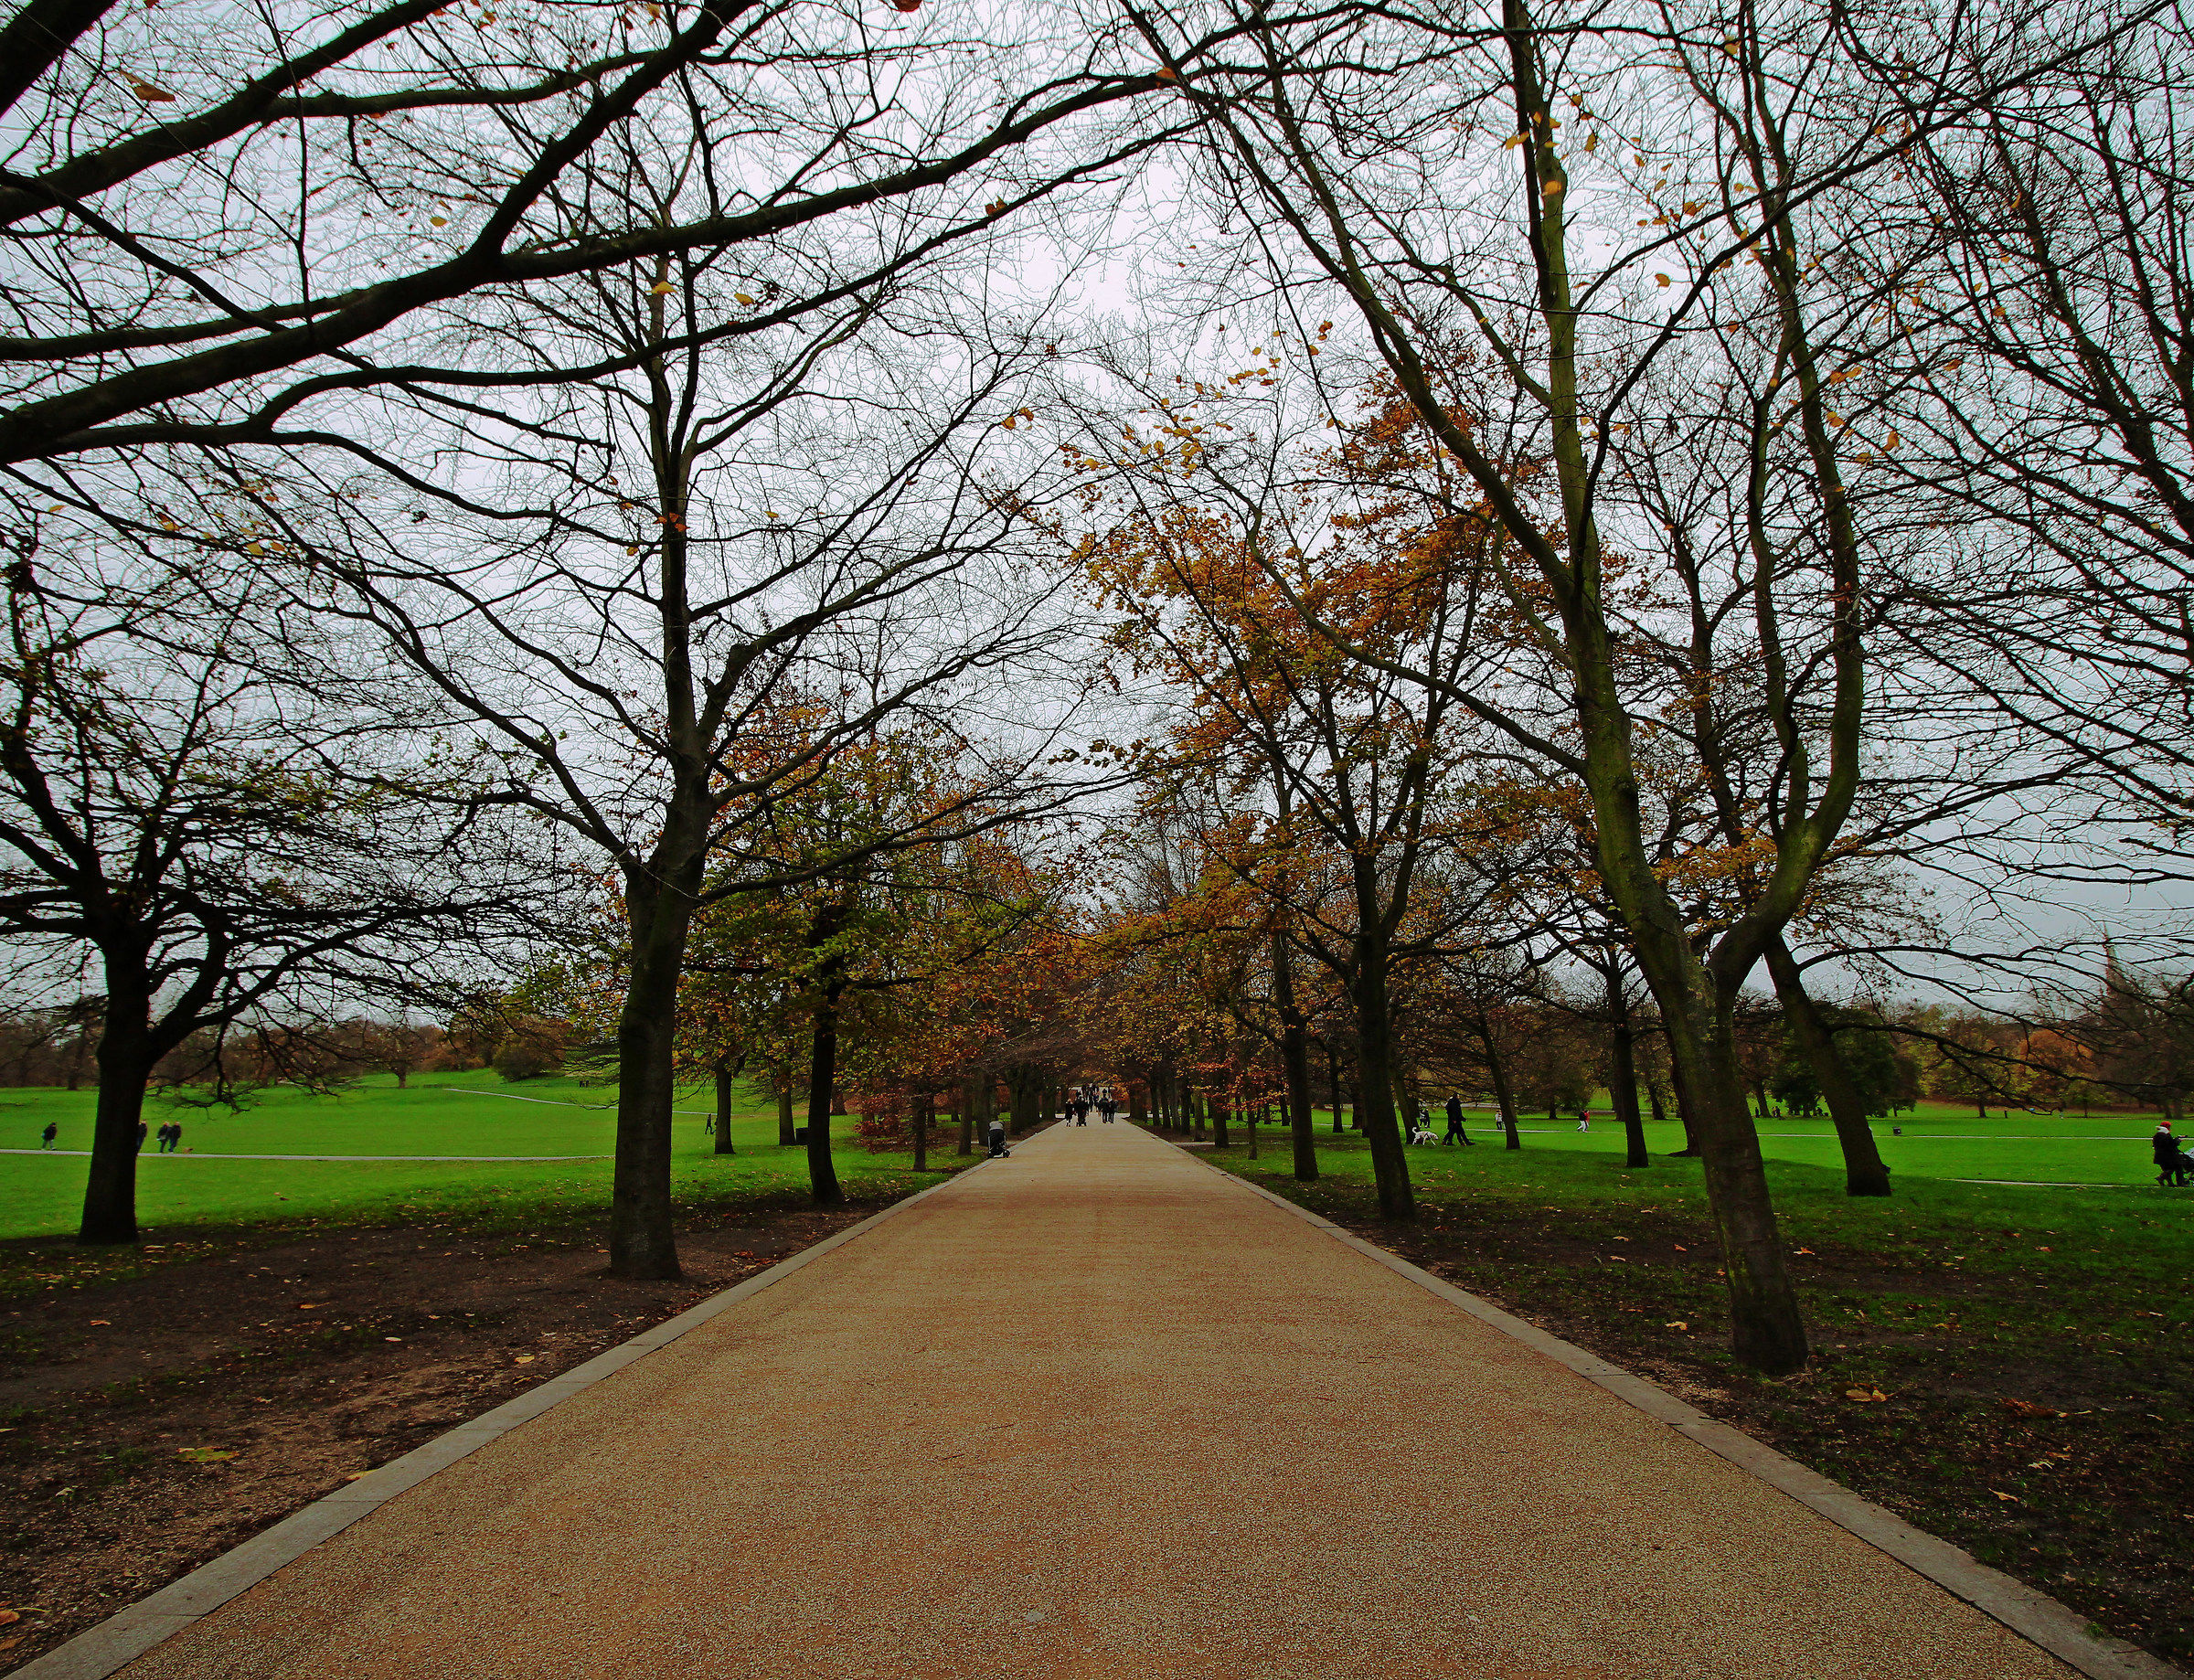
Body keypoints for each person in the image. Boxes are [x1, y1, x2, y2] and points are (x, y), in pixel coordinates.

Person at [2155, 1122, 2190, 1187]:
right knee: (2177, 1168)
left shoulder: (2158, 1135)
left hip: (2160, 1156)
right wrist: (2178, 1140)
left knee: (2168, 1169)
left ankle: (2170, 1183)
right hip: (2167, 1156)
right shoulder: (2165, 1135)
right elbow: (2171, 1144)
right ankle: (2163, 1178)